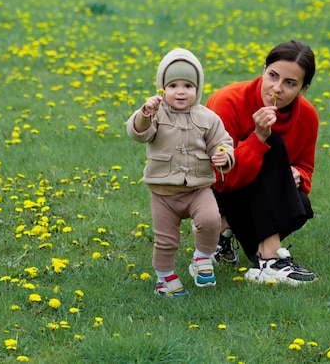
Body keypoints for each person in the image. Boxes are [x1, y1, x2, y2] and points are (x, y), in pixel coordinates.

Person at [205, 40, 318, 286]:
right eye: (273, 75)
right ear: (263, 69)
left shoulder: (307, 116)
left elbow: (306, 168)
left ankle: (223, 233)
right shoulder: (228, 101)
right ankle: (269, 259)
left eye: (290, 83)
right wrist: (257, 138)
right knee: (273, 146)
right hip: (214, 189)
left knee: (301, 204)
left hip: (258, 194)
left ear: (303, 88)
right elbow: (220, 178)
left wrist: (297, 174)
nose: (276, 88)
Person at [126, 48, 234, 298]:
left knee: (210, 221)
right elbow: (137, 133)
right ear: (163, 88)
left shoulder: (208, 117)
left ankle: (202, 259)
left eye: (188, 85)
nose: (181, 91)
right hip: (163, 194)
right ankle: (164, 279)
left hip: (198, 189)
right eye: (173, 85)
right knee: (166, 240)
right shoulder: (155, 113)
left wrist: (223, 155)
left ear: (199, 88)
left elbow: (223, 142)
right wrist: (144, 114)